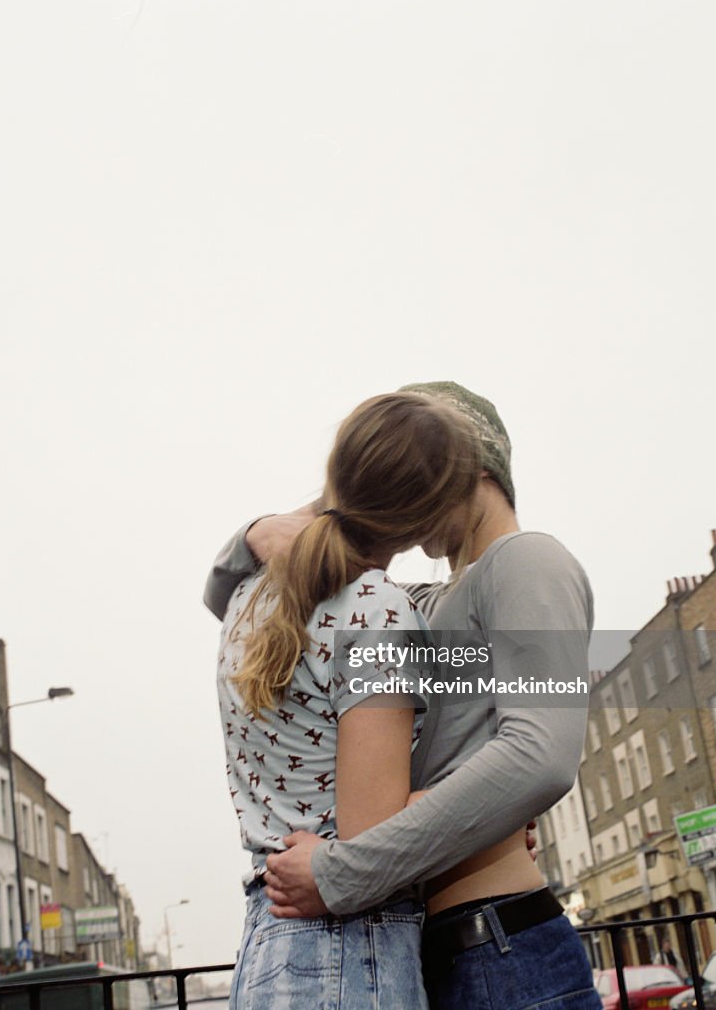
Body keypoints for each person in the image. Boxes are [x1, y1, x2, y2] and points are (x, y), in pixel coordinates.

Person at [205, 381, 601, 1010]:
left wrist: (343, 870)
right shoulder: (420, 606)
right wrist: (256, 531)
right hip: (428, 946)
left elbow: (540, 756)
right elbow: (234, 582)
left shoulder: (528, 562)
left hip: (500, 946)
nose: (413, 535)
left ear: (464, 473)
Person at [216, 391, 482, 1010]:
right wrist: (487, 806)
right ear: (421, 525)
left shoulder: (249, 594)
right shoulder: (377, 609)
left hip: (270, 942)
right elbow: (373, 832)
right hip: (347, 947)